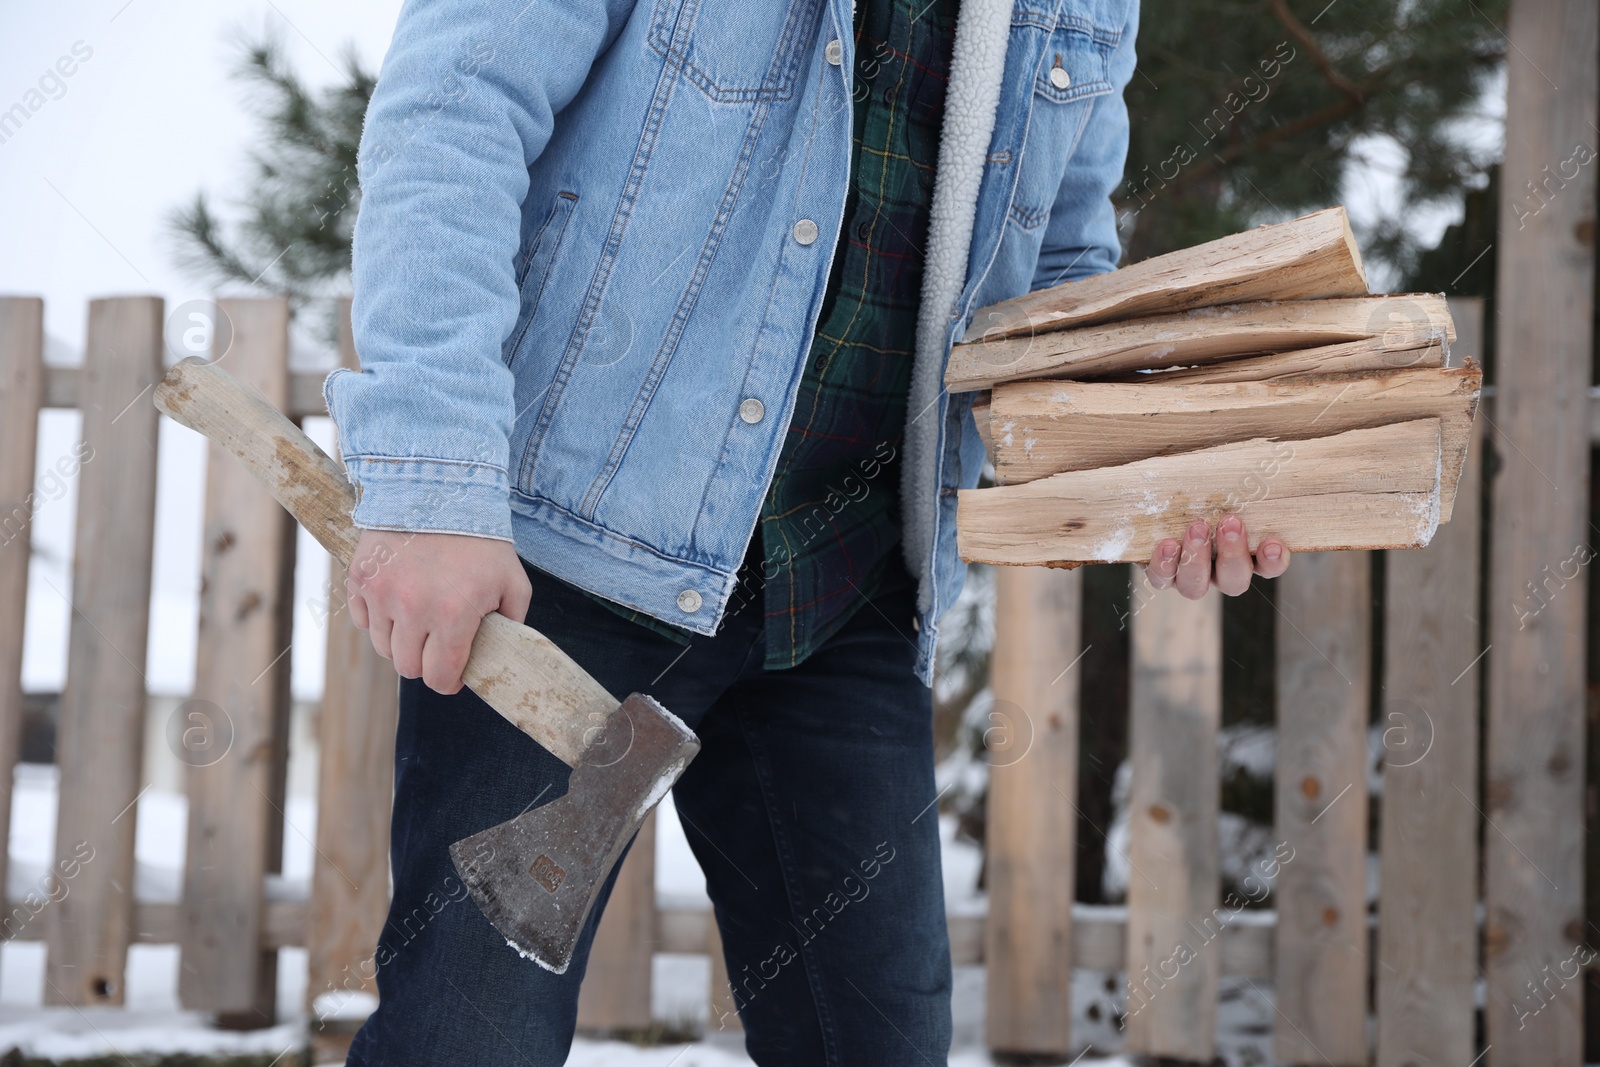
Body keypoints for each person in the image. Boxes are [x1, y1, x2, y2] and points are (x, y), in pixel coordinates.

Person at [325, 0, 1287, 1062]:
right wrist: (431, 482)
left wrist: (1152, 482)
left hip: (844, 591)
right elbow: (456, 110)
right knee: (466, 1041)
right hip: (573, 559)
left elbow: (1059, 261)